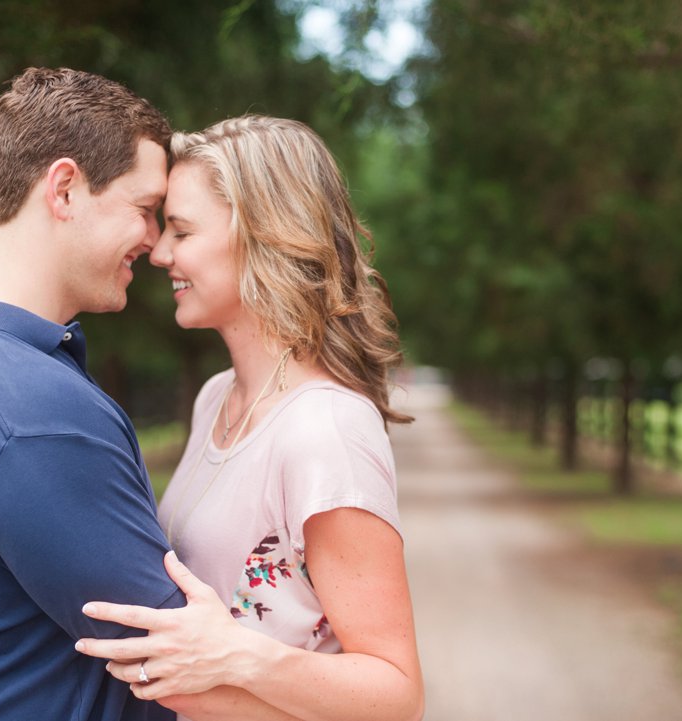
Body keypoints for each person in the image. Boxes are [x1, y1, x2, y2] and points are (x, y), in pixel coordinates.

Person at [74, 116, 426, 721]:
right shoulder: (216, 397)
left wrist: (239, 657)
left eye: (182, 230)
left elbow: (397, 696)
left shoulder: (326, 430)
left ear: (267, 236)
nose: (159, 252)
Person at [0, 67, 186, 721]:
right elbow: (177, 664)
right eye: (145, 209)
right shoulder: (29, 412)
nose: (156, 241)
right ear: (64, 189)